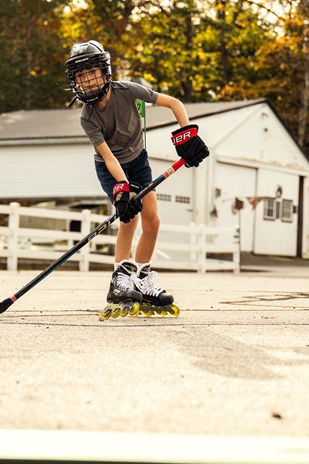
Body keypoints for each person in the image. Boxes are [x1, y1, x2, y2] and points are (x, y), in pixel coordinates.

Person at [64, 40, 209, 319]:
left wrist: (187, 134)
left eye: (91, 72)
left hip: (138, 160)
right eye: (80, 76)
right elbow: (108, 157)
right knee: (129, 217)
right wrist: (124, 189)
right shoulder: (87, 117)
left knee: (152, 220)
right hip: (110, 167)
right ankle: (120, 279)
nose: (87, 80)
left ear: (105, 72)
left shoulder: (128, 90)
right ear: (75, 81)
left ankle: (142, 277)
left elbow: (174, 103)